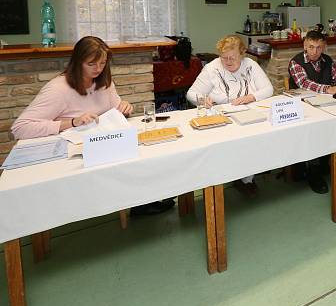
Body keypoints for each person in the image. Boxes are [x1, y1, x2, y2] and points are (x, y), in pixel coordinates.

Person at [11, 36, 173, 216]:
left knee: (144, 150)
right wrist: (71, 122)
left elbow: (115, 108)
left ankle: (141, 201)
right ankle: (138, 201)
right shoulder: (58, 88)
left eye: (102, 63)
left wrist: (124, 107)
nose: (98, 69)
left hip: (103, 142)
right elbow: (20, 128)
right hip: (75, 150)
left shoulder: (104, 82)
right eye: (91, 64)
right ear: (78, 62)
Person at [187, 35, 274, 197]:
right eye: (223, 57)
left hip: (250, 115)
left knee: (257, 137)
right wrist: (202, 99)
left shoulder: (251, 65)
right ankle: (231, 177)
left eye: (232, 57)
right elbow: (191, 93)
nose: (227, 61)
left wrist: (249, 97)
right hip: (222, 118)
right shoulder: (212, 68)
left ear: (242, 54)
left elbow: (268, 89)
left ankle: (247, 177)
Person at [287, 30, 336, 193]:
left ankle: (325, 162)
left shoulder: (327, 60)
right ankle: (313, 170)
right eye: (311, 47)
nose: (314, 52)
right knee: (315, 129)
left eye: (318, 47)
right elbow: (305, 83)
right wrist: (330, 89)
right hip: (304, 108)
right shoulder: (295, 62)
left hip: (326, 105)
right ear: (304, 46)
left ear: (323, 47)